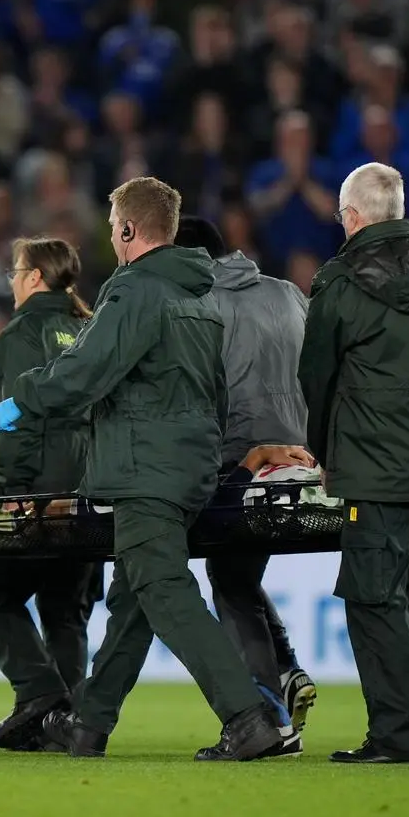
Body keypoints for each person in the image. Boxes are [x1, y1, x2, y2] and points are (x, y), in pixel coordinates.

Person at [0, 176, 283, 761]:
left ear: (127, 230)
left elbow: (87, 368)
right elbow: (216, 394)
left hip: (147, 467)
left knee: (163, 589)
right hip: (189, 465)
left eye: (113, 229)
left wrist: (24, 398)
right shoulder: (200, 298)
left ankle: (248, 717)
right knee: (133, 601)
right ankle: (88, 724)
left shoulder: (137, 291)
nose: (112, 238)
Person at [298, 162, 409, 764]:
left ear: (351, 217)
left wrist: (325, 453)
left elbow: (316, 378)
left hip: (375, 468)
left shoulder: (341, 282)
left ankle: (398, 737)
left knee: (374, 597)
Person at [173, 214, 319, 741]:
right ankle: (285, 672)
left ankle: (270, 715)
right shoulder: (286, 293)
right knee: (237, 576)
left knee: (227, 583)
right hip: (300, 456)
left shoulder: (198, 305)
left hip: (240, 459)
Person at [0, 236, 103, 752]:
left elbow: (17, 423)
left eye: (15, 271)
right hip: (89, 496)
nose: (11, 281)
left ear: (35, 277)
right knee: (66, 607)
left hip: (38, 497)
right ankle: (66, 725)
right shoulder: (91, 330)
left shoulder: (18, 336)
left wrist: (16, 492)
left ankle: (40, 693)